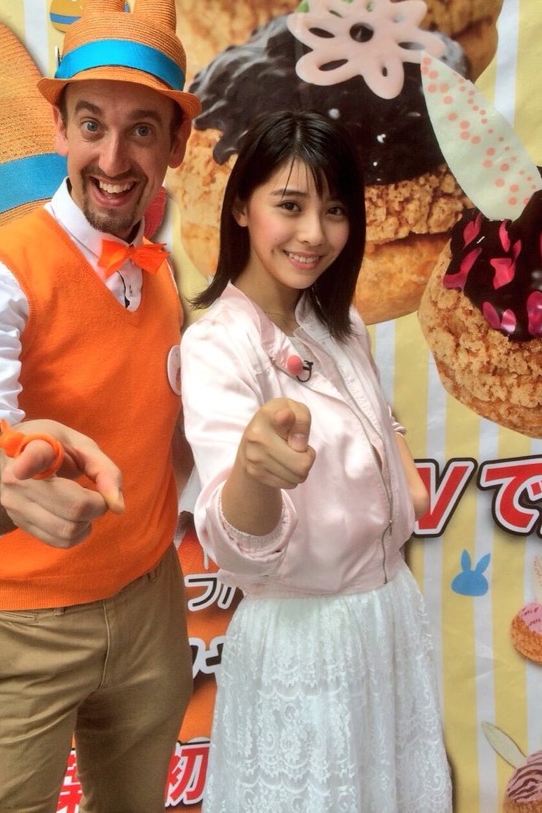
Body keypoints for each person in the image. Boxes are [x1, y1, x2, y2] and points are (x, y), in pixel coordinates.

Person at [0, 0, 201, 813]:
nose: (112, 161)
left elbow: (168, 437)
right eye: (91, 126)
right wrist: (2, 484)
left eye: (141, 130)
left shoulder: (162, 278)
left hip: (150, 607)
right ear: (60, 129)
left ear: (176, 145)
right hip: (20, 629)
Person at [180, 111, 453, 812]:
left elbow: (375, 413)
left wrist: (402, 472)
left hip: (386, 617)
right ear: (241, 207)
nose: (314, 234)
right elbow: (237, 544)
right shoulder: (217, 347)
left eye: (334, 211)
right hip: (305, 642)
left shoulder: (341, 323)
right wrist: (253, 471)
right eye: (290, 205)